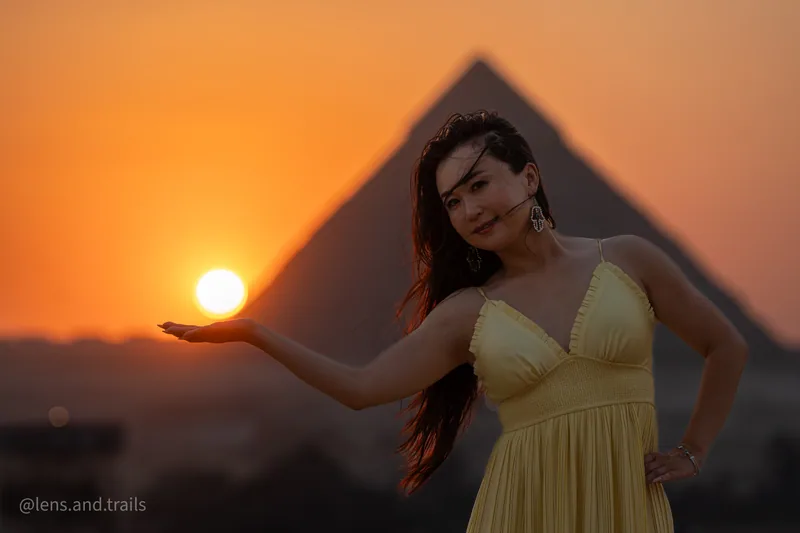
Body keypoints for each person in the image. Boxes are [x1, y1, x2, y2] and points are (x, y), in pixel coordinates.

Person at [159, 110, 748, 532]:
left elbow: (725, 346)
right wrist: (254, 332)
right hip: (522, 512)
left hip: (628, 510)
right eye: (453, 202)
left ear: (530, 177)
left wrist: (693, 451)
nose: (468, 210)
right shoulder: (469, 312)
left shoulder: (626, 258)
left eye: (478, 185)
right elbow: (362, 389)